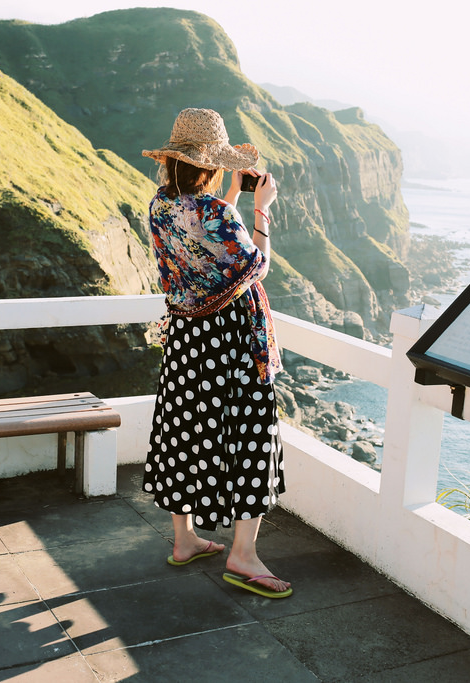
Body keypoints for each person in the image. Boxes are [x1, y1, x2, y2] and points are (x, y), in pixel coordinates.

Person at [140, 108, 291, 599]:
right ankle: (242, 556)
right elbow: (255, 265)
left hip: (188, 338)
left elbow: (201, 234)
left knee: (185, 428)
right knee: (250, 434)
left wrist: (231, 198)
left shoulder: (161, 205)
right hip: (231, 339)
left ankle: (184, 540)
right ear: (210, 167)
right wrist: (261, 208)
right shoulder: (217, 214)